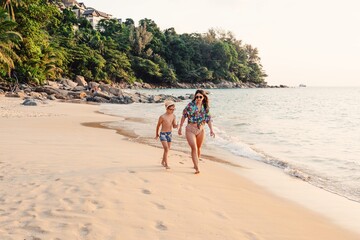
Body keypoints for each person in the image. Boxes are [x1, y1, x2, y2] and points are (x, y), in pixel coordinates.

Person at [178, 89, 215, 174]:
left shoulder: (205, 107)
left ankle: (195, 164)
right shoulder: (190, 105)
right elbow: (184, 116)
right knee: (194, 148)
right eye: (197, 96)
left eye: (200, 97)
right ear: (195, 97)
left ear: (203, 97)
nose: (198, 98)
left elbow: (208, 119)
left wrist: (211, 130)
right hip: (190, 129)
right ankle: (197, 168)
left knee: (198, 148)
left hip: (201, 130)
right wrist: (180, 127)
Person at [155, 100, 178, 169]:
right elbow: (158, 125)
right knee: (166, 148)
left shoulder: (173, 116)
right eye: (171, 109)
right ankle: (166, 164)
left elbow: (173, 125)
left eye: (173, 109)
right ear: (167, 108)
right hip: (163, 134)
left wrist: (176, 126)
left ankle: (162, 161)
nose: (172, 111)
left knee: (167, 149)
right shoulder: (162, 117)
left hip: (169, 134)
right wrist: (157, 134)